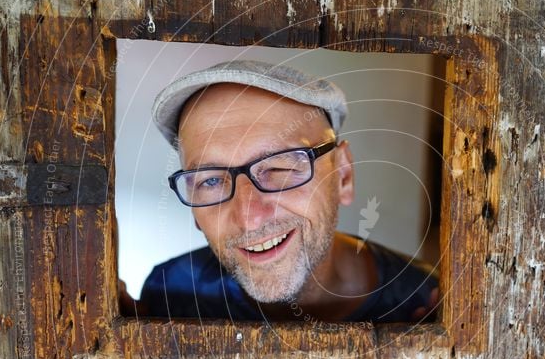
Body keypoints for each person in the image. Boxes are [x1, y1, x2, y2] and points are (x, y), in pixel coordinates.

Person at [135, 59, 439, 323]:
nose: (249, 217)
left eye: (279, 168)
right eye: (210, 181)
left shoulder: (426, 300)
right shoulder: (169, 296)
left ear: (343, 176)